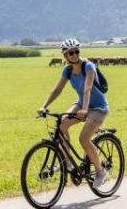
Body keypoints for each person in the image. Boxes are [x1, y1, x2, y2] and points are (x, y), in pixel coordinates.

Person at [37, 38, 110, 189]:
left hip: (98, 107)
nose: (74, 54)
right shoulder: (68, 70)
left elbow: (87, 88)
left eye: (76, 51)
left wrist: (84, 109)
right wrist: (44, 106)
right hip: (81, 103)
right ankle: (68, 161)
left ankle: (100, 171)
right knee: (62, 123)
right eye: (71, 52)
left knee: (84, 138)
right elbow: (57, 90)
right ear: (65, 56)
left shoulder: (88, 66)